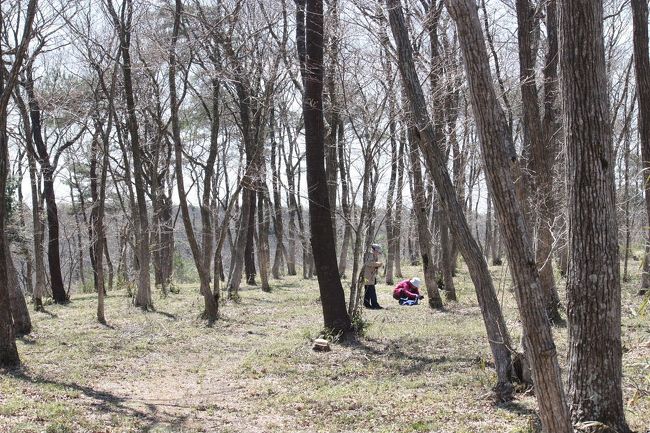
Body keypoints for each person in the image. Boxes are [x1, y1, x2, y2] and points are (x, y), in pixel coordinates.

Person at [362, 244, 384, 309]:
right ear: (374, 250)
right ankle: (374, 304)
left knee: (368, 289)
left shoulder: (374, 256)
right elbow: (368, 263)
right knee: (371, 289)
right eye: (377, 251)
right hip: (367, 276)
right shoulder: (369, 255)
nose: (378, 253)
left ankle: (367, 304)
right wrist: (378, 264)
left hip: (371, 275)